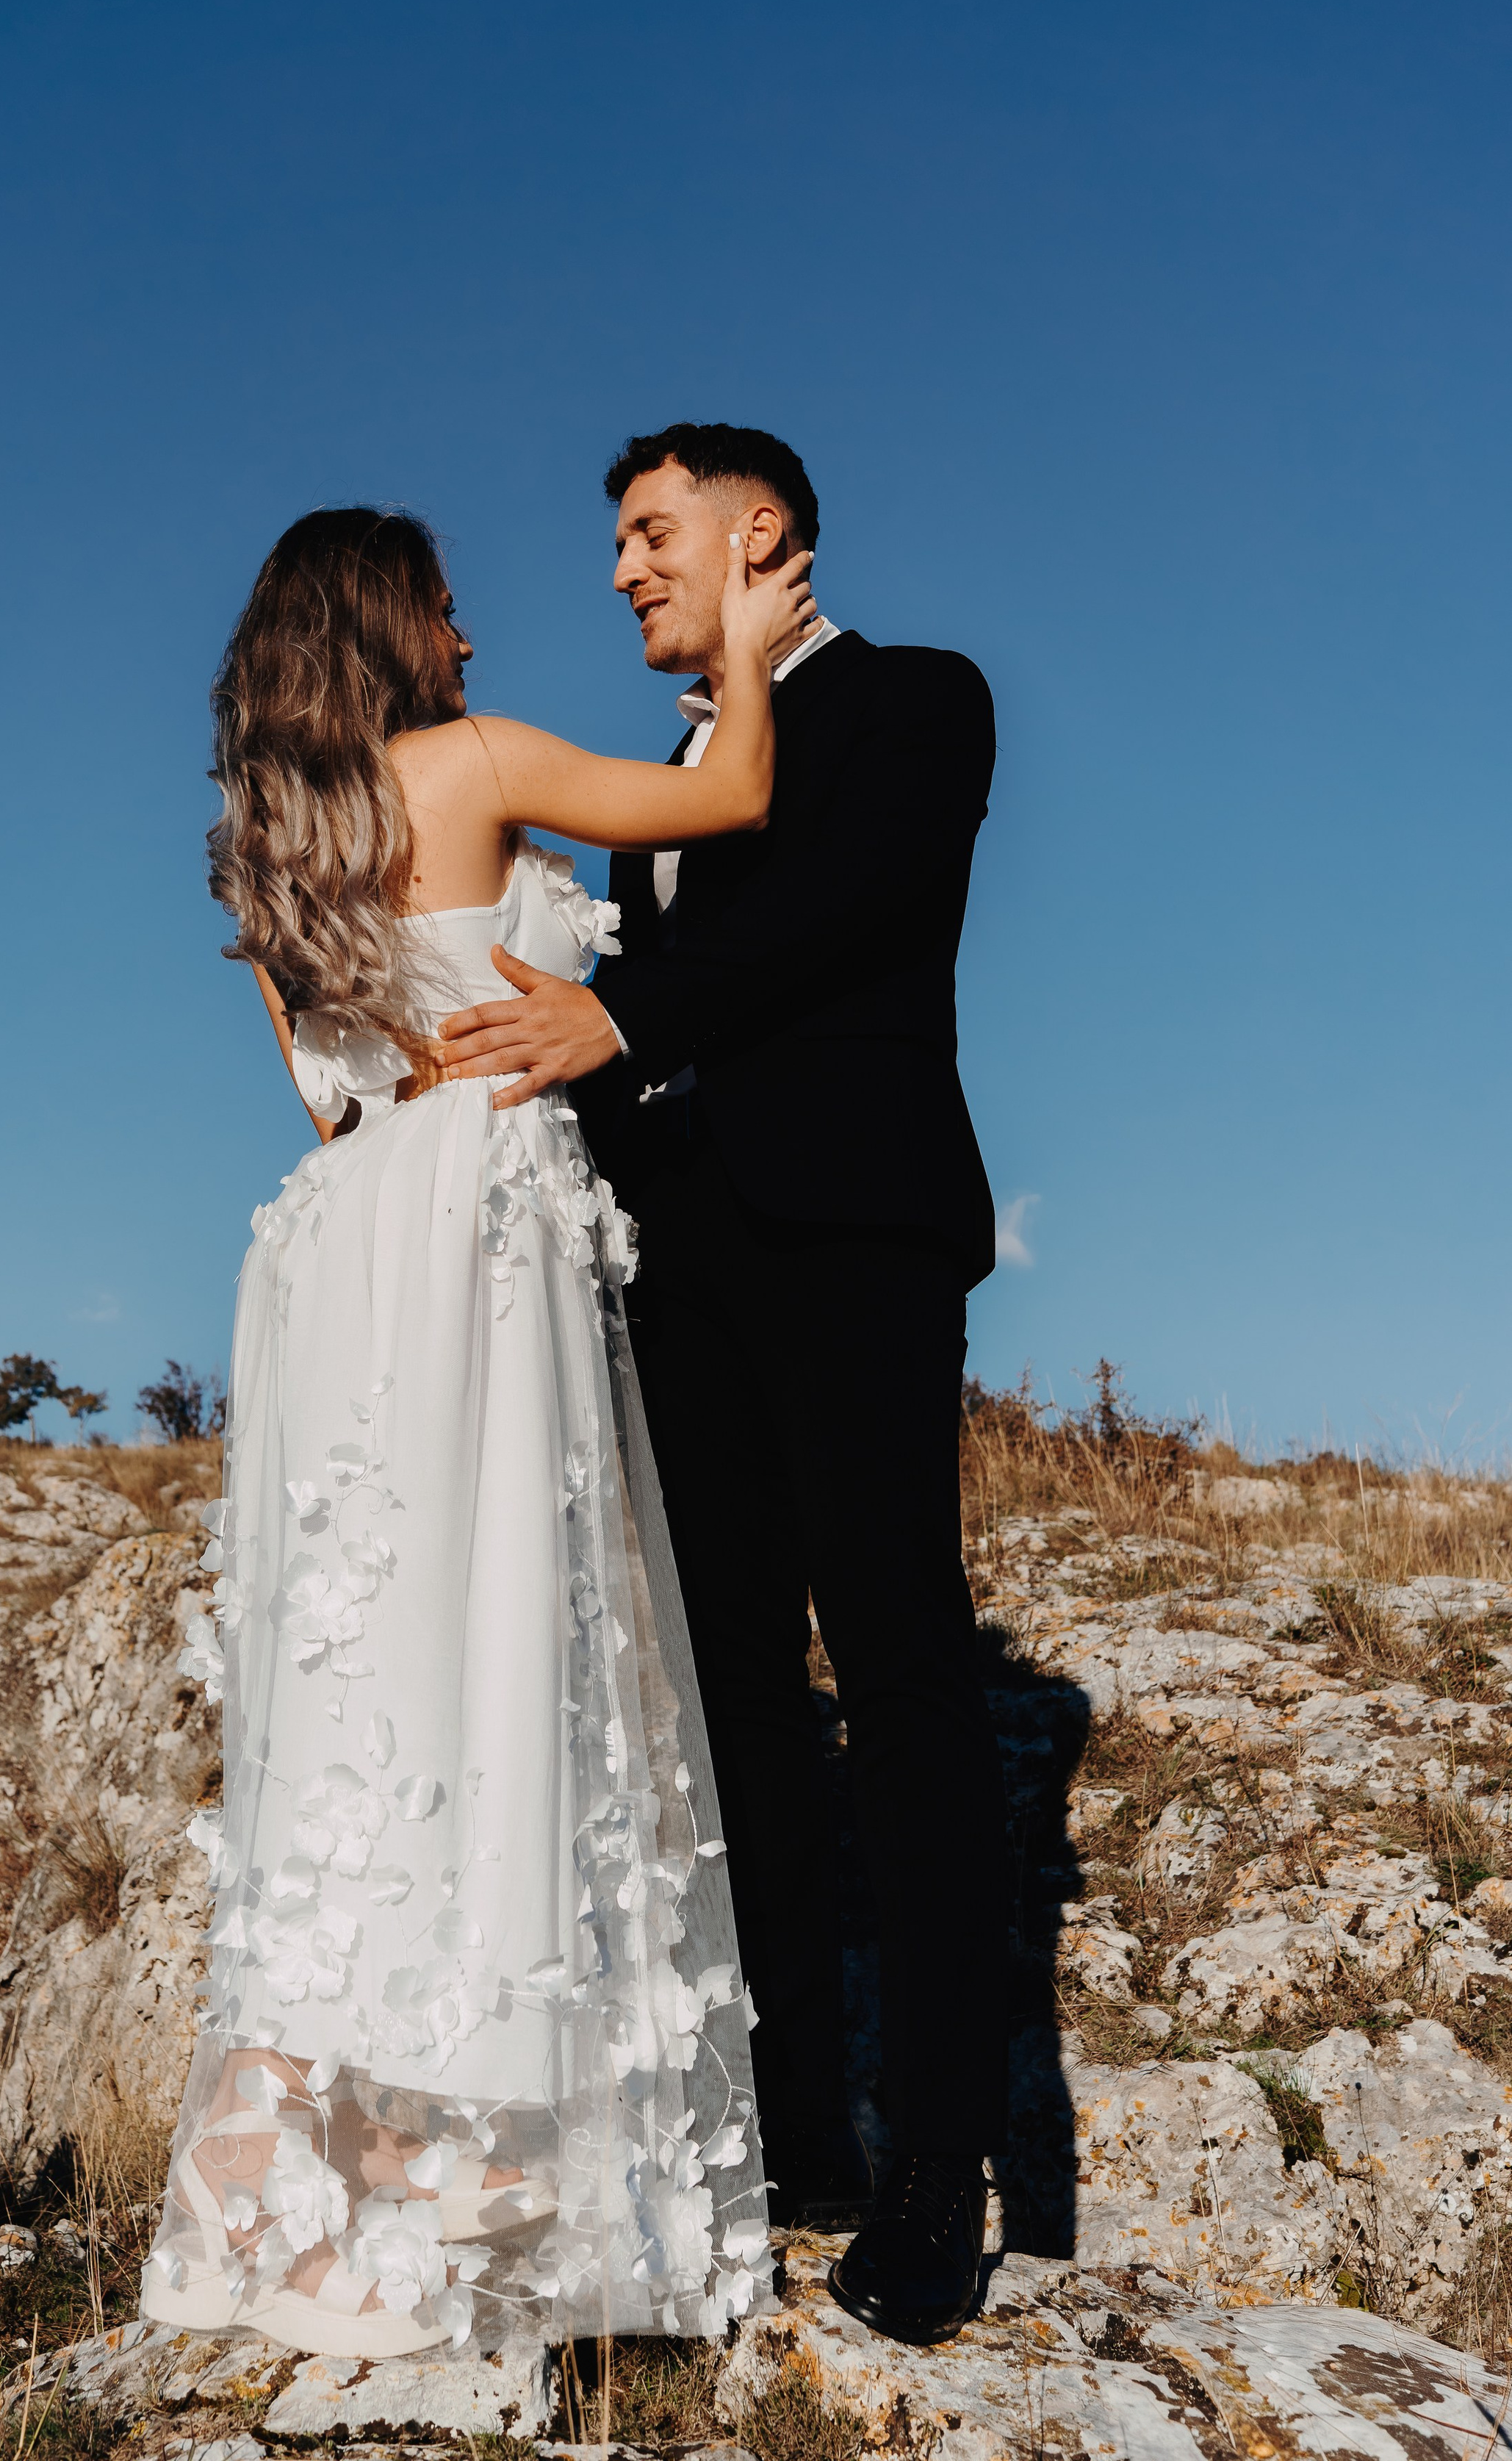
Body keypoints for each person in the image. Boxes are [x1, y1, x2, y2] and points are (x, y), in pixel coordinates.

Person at [140, 503, 816, 2357]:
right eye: (442, 607)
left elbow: (324, 1092)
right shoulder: (483, 761)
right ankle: (489, 2171)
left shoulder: (266, 842)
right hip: (474, 1227)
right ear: (386, 623)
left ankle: (323, 2170)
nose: (467, 634)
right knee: (503, 1644)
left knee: (364, 1679)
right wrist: (741, 631)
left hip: (342, 1238)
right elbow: (734, 795)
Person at [436, 424, 1008, 2348]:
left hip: (853, 1240)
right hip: (683, 1278)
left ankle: (940, 2165)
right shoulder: (654, 793)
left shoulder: (920, 701)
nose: (619, 569)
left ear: (757, 529)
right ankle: (792, 2136)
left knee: (904, 1674)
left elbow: (837, 909)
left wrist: (614, 1013)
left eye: (645, 531)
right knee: (736, 1703)